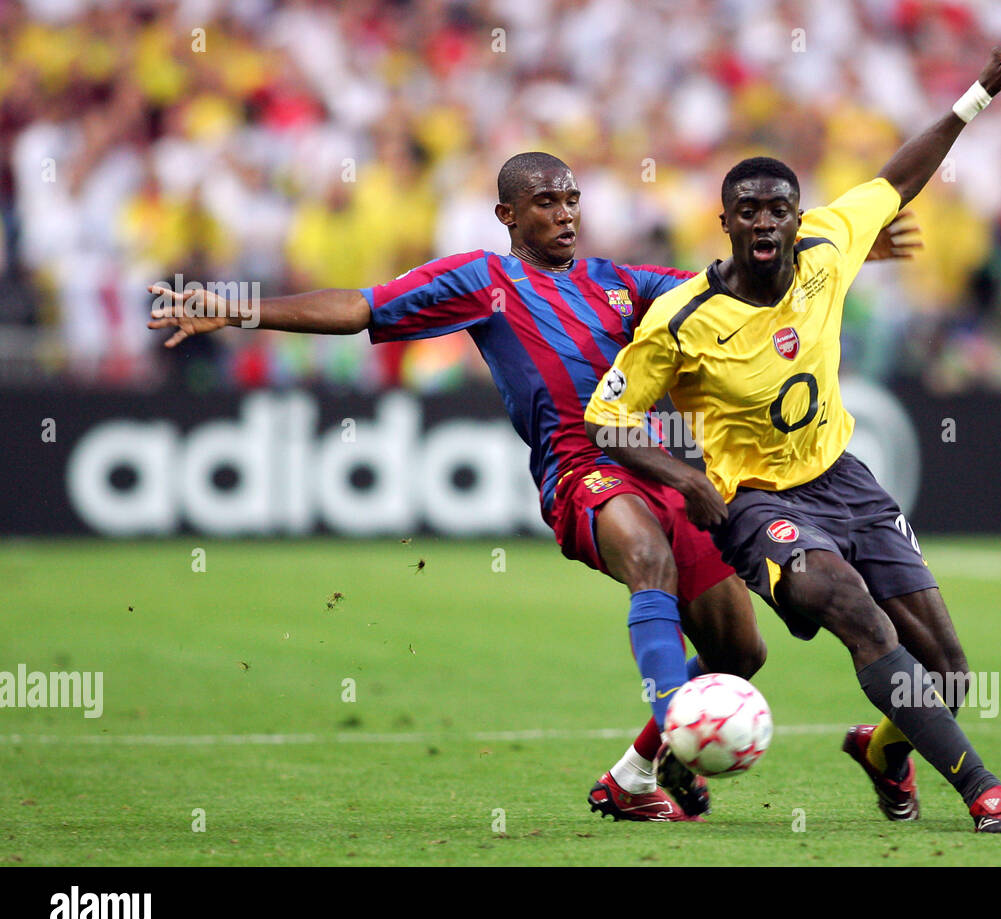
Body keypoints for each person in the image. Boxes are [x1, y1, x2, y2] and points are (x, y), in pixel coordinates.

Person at [146, 151, 916, 822]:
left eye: (573, 198)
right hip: (580, 469)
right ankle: (673, 722)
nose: (565, 213)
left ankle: (635, 775)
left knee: (740, 653)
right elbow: (357, 309)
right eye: (546, 201)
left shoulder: (623, 283)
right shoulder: (482, 281)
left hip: (653, 462)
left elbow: (728, 287)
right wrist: (235, 309)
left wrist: (821, 253)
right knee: (649, 563)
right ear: (507, 214)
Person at [585, 47, 1001, 833]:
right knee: (855, 611)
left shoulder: (829, 243)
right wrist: (685, 480)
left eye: (778, 209)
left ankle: (883, 752)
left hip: (846, 483)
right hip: (758, 505)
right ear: (724, 223)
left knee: (949, 673)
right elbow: (605, 418)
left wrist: (977, 95)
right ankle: (985, 790)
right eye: (749, 211)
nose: (766, 222)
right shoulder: (681, 321)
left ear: (798, 216)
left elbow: (899, 179)